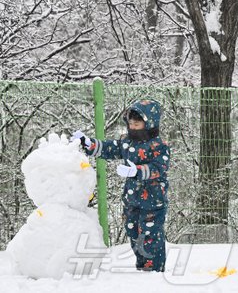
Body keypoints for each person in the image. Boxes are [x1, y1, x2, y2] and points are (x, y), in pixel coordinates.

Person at [72, 99, 170, 272]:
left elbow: (159, 168)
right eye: (130, 123)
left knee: (150, 235)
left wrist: (137, 171)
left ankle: (154, 271)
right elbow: (110, 148)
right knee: (133, 233)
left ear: (149, 123)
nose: (132, 127)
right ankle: (142, 267)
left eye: (137, 124)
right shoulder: (127, 142)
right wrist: (89, 144)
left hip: (153, 201)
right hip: (132, 199)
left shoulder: (159, 146)